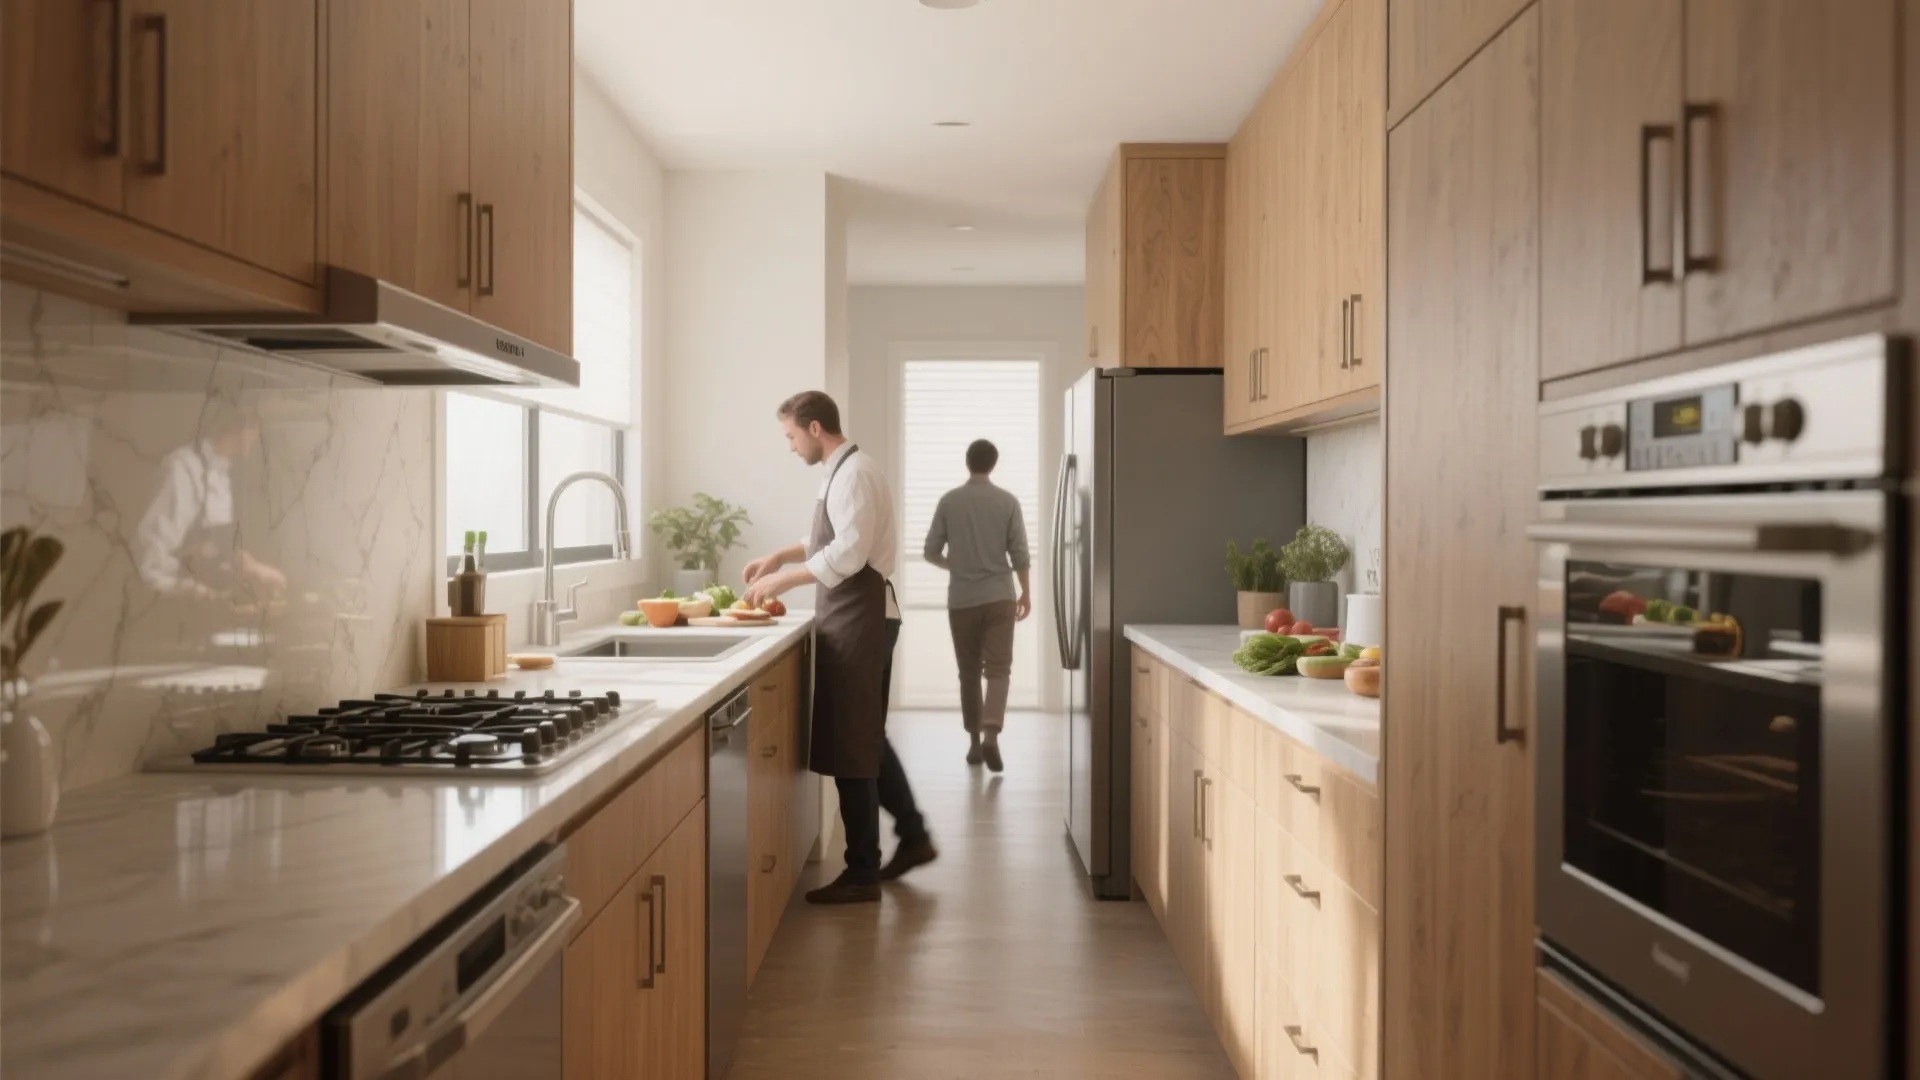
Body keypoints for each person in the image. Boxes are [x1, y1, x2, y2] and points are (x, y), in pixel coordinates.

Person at [742, 391, 937, 904]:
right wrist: (779, 556)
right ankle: (912, 836)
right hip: (853, 617)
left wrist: (785, 580)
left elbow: (849, 552)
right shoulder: (842, 470)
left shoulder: (854, 473)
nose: (789, 447)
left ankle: (862, 873)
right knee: (865, 738)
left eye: (789, 436)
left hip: (863, 617)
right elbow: (834, 540)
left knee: (855, 743)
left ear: (813, 428)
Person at [922, 438, 1030, 772]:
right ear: (993, 464)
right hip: (1000, 596)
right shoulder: (1007, 501)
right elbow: (1020, 553)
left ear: (967, 462)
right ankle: (991, 736)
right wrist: (1025, 592)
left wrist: (953, 565)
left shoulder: (949, 501)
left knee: (968, 671)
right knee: (998, 670)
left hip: (963, 600)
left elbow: (930, 550)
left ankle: (973, 744)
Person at [134, 398, 287, 601]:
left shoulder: (222, 472)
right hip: (173, 611)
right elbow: (151, 562)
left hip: (209, 605)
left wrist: (247, 565)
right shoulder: (184, 469)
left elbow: (212, 548)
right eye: (257, 426)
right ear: (242, 426)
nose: (258, 437)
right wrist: (201, 594)